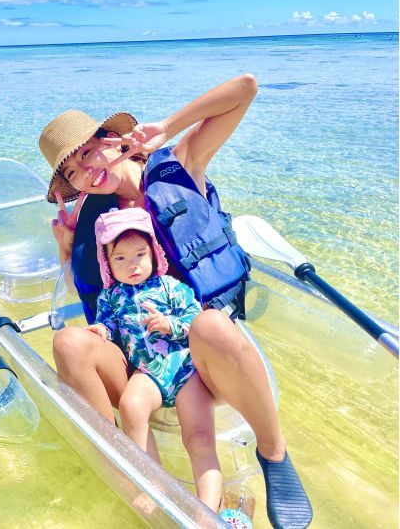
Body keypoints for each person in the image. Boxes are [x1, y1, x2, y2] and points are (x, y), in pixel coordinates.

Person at [38, 75, 312, 528]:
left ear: (110, 140)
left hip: (204, 356)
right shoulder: (94, 218)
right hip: (140, 360)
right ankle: (133, 472)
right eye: (73, 172)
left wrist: (169, 125)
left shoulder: (180, 166)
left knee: (209, 325)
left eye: (88, 153)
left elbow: (245, 88)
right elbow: (86, 291)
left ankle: (274, 453)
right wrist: (65, 248)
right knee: (67, 343)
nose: (86, 172)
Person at [89, 207, 221, 510]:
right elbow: (109, 327)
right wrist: (101, 330)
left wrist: (169, 324)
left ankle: (208, 510)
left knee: (199, 437)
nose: (132, 265)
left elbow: (197, 324)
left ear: (153, 252)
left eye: (139, 254)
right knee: (130, 407)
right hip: (149, 371)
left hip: (186, 370)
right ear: (106, 263)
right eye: (120, 258)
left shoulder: (171, 287)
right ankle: (152, 481)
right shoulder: (110, 297)